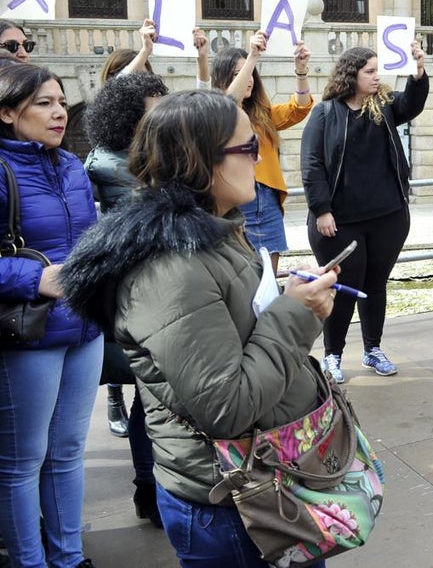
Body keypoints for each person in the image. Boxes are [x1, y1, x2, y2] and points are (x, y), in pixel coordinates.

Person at [60, 89, 338, 568]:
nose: (259, 160)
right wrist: (297, 314)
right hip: (231, 502)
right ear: (199, 160)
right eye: (248, 148)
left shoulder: (216, 228)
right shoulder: (170, 266)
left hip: (261, 479)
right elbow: (227, 405)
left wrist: (290, 301)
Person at [0, 63, 101, 568]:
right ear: (7, 112)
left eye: (60, 101)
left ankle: (69, 558)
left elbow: (90, 238)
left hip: (84, 328)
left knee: (66, 454)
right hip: (29, 334)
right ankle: (29, 562)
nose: (59, 111)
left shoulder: (70, 166)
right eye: (43, 103)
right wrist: (32, 278)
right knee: (22, 463)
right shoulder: (1, 170)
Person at [300, 43, 429, 381]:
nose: (377, 76)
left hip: (387, 216)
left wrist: (418, 75)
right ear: (351, 74)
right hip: (340, 222)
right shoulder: (326, 112)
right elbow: (311, 164)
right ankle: (333, 355)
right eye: (370, 71)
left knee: (375, 285)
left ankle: (373, 350)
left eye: (377, 70)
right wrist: (322, 209)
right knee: (345, 288)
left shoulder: (383, 106)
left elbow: (410, 104)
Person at [84, 71, 169, 528]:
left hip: (156, 290)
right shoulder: (112, 165)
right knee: (148, 393)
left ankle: (155, 486)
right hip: (136, 293)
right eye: (154, 114)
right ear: (129, 119)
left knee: (154, 394)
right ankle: (149, 487)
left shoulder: (144, 156)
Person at [211, 31, 313, 274]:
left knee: (268, 278)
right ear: (223, 77)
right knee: (239, 276)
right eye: (238, 74)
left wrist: (301, 71)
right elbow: (228, 103)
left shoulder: (262, 114)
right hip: (233, 202)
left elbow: (299, 108)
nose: (247, 80)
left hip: (267, 201)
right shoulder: (214, 112)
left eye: (249, 74)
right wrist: (253, 57)